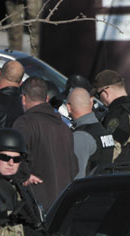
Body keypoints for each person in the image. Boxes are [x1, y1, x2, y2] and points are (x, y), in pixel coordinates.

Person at [12, 76, 78, 211]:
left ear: (23, 98)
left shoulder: (24, 123)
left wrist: (24, 177)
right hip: (62, 207)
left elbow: (15, 161)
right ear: (47, 99)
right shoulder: (64, 128)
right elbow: (74, 168)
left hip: (36, 207)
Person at [93, 69, 130, 163]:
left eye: (98, 94)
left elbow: (110, 151)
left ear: (106, 92)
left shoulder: (117, 114)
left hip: (114, 174)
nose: (100, 99)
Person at [67, 87, 115, 178]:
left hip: (88, 190)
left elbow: (76, 178)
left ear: (69, 107)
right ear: (91, 102)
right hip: (104, 189)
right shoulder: (103, 131)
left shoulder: (81, 136)